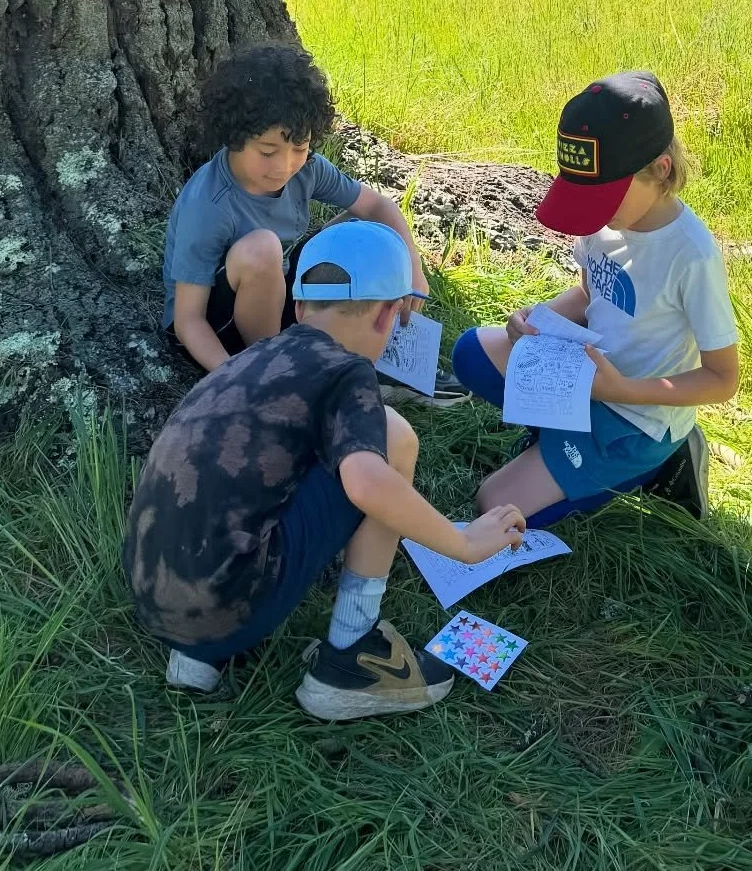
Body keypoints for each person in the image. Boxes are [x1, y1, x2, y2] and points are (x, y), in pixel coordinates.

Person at [124, 219, 526, 716]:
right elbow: (366, 482)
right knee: (393, 436)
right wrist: (463, 543)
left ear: (298, 307)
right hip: (226, 606)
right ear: (389, 314)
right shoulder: (346, 369)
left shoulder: (254, 357)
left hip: (152, 594)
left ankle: (198, 658)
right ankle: (351, 657)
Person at [450, 70, 740, 525]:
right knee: (470, 353)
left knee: (495, 506)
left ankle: (658, 465)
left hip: (637, 416)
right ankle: (559, 442)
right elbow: (590, 293)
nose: (593, 214)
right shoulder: (605, 224)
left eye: (603, 198)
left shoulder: (691, 255)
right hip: (589, 377)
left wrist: (619, 390)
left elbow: (722, 378)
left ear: (660, 170)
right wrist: (537, 318)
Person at [162, 41, 429, 374]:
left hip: (279, 290)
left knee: (356, 229)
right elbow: (188, 321)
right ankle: (275, 367)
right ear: (234, 137)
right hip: (214, 332)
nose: (284, 166)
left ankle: (377, 355)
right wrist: (234, 378)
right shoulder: (208, 205)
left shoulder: (307, 169)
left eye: (299, 148)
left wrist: (412, 266)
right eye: (267, 151)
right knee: (263, 248)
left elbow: (375, 205)